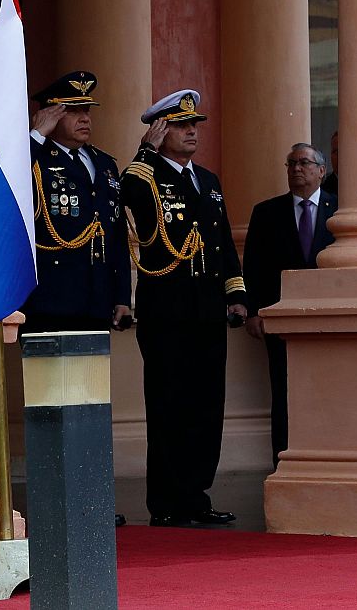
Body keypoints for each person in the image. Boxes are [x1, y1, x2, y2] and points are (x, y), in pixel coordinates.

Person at [120, 90, 248, 527]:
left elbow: (223, 242)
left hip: (207, 309)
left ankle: (196, 496)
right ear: (160, 131)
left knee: (206, 407)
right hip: (167, 311)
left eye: (194, 125)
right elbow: (127, 196)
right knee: (169, 406)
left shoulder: (207, 180)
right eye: (180, 125)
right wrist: (145, 152)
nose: (192, 132)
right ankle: (167, 503)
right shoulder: (146, 175)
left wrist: (236, 294)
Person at [243, 142, 336, 467]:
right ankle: (283, 461)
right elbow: (253, 266)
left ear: (321, 171)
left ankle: (327, 460)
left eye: (304, 163)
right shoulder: (266, 212)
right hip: (280, 319)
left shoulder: (340, 212)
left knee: (329, 391)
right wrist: (254, 310)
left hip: (329, 320)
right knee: (283, 392)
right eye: (292, 163)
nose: (297, 169)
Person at [23, 71, 131, 335]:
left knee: (93, 364)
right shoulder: (35, 157)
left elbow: (117, 236)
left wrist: (122, 296)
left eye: (87, 110)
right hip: (50, 298)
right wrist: (36, 134)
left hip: (98, 299)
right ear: (50, 115)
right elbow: (8, 182)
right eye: (73, 111)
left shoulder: (104, 163)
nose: (85, 118)